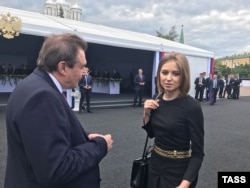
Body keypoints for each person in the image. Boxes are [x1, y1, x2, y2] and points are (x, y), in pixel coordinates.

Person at [4, 33, 113, 188]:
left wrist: (84, 137)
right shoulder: (42, 97)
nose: (84, 72)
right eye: (81, 66)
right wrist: (99, 145)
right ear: (63, 67)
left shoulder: (33, 85)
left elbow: (45, 135)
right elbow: (56, 170)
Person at [142, 52, 204, 188]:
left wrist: (184, 184)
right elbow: (152, 134)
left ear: (184, 76)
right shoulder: (156, 98)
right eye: (164, 72)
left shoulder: (192, 107)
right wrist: (146, 113)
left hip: (178, 171)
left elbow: (198, 153)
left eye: (175, 73)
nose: (168, 78)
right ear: (159, 74)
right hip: (155, 165)